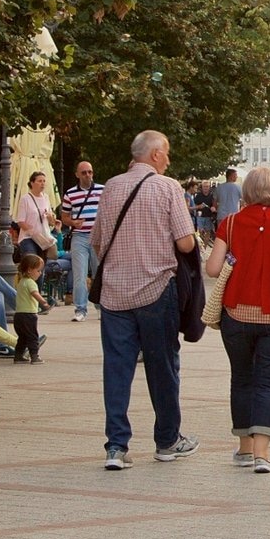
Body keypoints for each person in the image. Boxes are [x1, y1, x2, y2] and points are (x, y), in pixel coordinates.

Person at [89, 131, 200, 471]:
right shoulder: (167, 187)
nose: (168, 159)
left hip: (115, 294)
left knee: (117, 368)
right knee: (162, 366)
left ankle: (116, 446)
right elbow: (185, 244)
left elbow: (96, 242)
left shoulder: (110, 187)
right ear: (154, 155)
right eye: (166, 153)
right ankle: (167, 440)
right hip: (155, 289)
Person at [208, 166, 270, 474]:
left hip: (236, 313)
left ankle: (244, 448)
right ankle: (263, 454)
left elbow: (212, 268)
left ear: (246, 192)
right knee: (268, 382)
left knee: (242, 377)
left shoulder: (231, 224)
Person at [60, 158, 103, 323]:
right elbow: (64, 216)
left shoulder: (102, 190)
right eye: (84, 172)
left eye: (90, 172)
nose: (87, 175)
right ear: (77, 174)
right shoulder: (70, 193)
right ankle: (80, 309)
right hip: (79, 236)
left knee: (99, 272)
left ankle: (101, 307)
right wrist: (72, 222)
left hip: (97, 236)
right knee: (79, 274)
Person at [13, 171, 64, 301]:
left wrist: (52, 218)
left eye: (44, 181)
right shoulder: (25, 199)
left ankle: (37, 299)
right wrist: (32, 230)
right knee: (32, 265)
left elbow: (51, 222)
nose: (42, 184)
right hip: (29, 238)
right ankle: (29, 298)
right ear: (32, 183)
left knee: (40, 268)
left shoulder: (46, 198)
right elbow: (20, 221)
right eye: (39, 181)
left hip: (43, 238)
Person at [11, 253, 46, 362]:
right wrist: (43, 302)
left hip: (18, 315)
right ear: (30, 270)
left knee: (22, 338)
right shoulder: (31, 283)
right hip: (29, 315)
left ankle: (18, 356)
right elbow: (35, 293)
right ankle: (34, 356)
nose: (40, 273)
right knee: (32, 336)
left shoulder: (21, 282)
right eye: (38, 270)